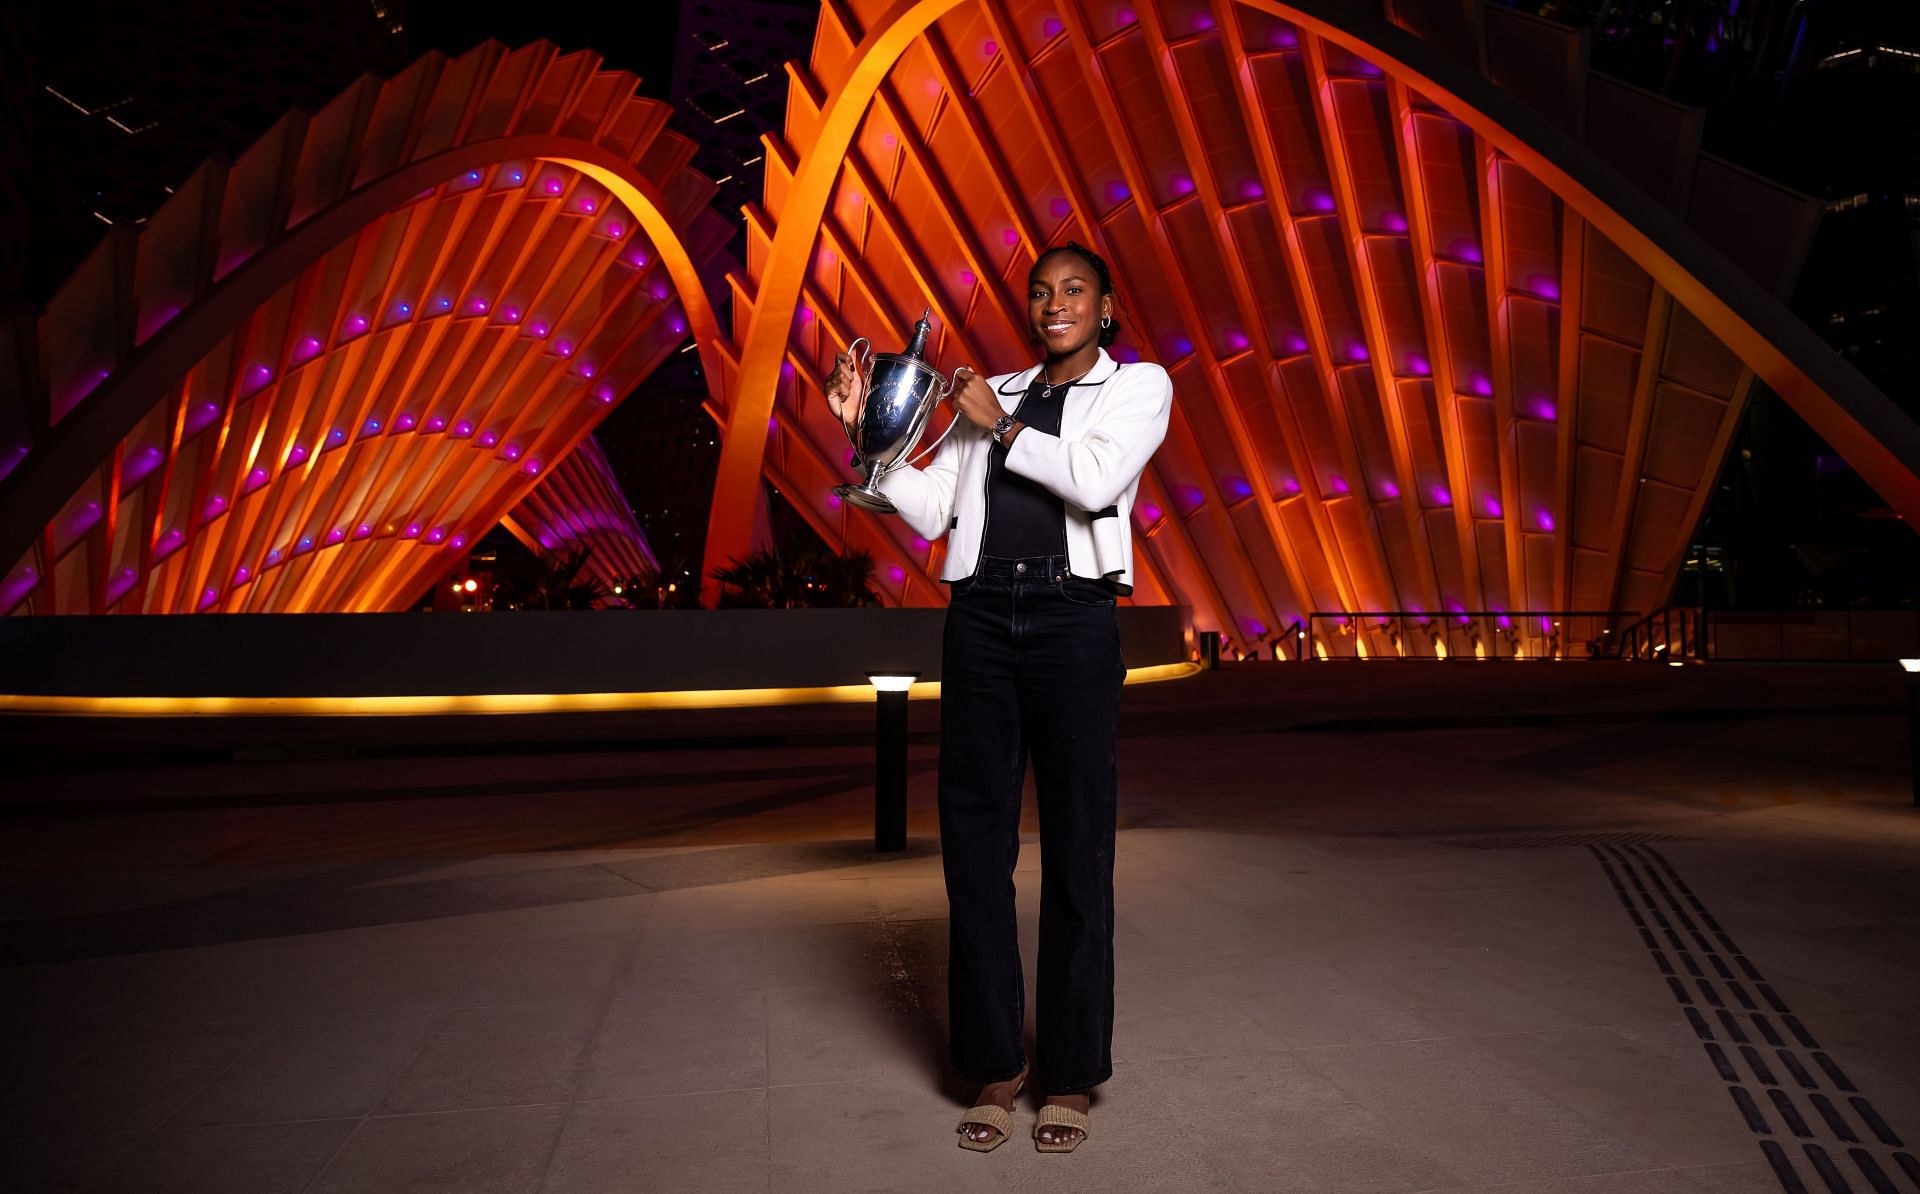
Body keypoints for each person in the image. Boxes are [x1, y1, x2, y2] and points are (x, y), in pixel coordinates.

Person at [823, 242, 1172, 1153]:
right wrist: (870, 436)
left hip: (1072, 615)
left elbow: (1096, 482)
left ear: (1104, 307)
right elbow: (936, 507)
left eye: (1073, 291)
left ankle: (1070, 1075)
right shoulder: (1000, 391)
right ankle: (994, 1065)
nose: (1053, 303)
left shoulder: (1139, 388)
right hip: (980, 614)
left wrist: (1003, 427)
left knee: (1076, 844)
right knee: (974, 847)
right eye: (1040, 291)